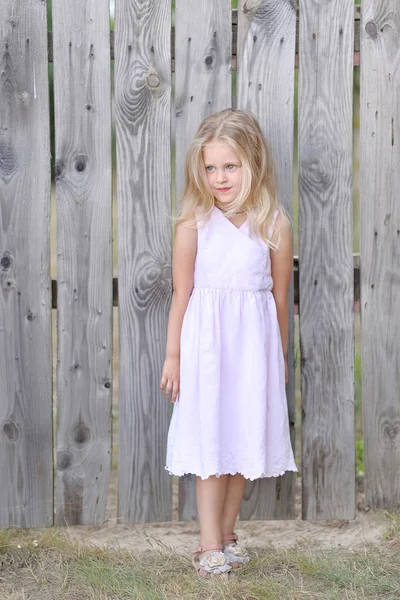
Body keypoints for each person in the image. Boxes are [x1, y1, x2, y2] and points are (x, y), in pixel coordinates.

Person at [160, 108, 297, 578]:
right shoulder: (193, 223)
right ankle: (207, 544)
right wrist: (174, 355)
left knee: (243, 442)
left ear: (254, 163)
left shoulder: (274, 224)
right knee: (211, 446)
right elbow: (182, 295)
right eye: (210, 167)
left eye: (230, 166)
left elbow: (279, 299)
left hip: (254, 352)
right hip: (207, 353)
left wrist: (277, 357)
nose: (219, 177)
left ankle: (228, 534)